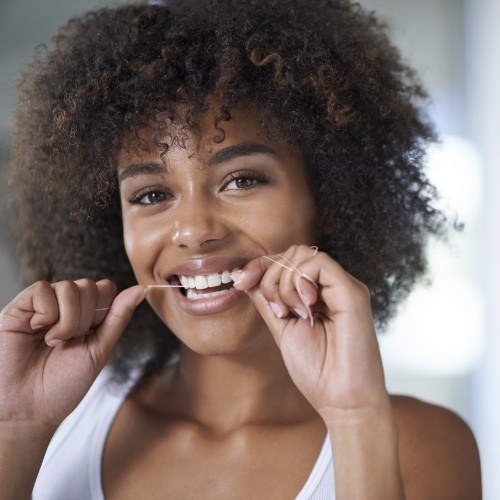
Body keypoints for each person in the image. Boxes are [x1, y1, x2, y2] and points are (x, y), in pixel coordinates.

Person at [0, 0, 481, 498]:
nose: (192, 230)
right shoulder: (54, 421)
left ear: (331, 199)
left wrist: (353, 415)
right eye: (150, 195)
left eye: (241, 180)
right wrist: (16, 428)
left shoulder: (417, 444)